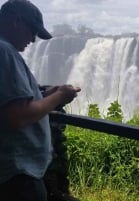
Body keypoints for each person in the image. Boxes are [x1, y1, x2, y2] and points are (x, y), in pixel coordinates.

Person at [0, 0, 81, 201]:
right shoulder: (5, 51)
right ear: (16, 22)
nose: (34, 40)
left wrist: (42, 95)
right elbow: (18, 116)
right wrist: (60, 96)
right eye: (33, 31)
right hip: (18, 174)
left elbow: (9, 102)